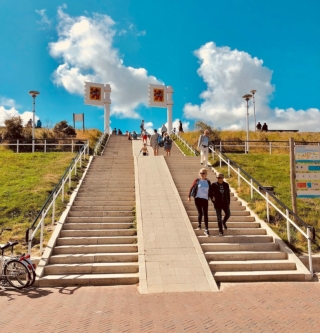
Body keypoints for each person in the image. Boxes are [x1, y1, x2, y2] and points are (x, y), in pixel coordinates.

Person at [188, 168, 212, 237]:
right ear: (199, 174)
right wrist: (189, 196)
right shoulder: (197, 180)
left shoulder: (208, 181)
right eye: (201, 173)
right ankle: (199, 224)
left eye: (204, 173)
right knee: (200, 212)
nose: (202, 174)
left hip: (205, 199)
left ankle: (206, 229)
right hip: (197, 199)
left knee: (205, 214)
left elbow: (210, 190)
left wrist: (212, 197)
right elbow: (191, 187)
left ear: (206, 174)